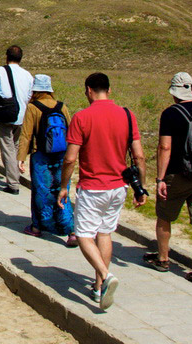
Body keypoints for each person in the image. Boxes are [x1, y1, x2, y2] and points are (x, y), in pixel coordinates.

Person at [57, 72, 146, 311]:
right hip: (119, 187)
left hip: (93, 186)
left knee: (84, 235)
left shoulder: (82, 117)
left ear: (88, 90)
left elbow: (70, 159)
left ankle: (106, 276)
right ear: (109, 89)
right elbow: (138, 154)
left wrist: (63, 186)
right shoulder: (127, 115)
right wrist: (142, 187)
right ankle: (98, 288)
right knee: (105, 234)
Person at [144, 72, 192, 286]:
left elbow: (164, 147)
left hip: (176, 175)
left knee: (164, 216)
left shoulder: (170, 114)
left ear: (174, 94)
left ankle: (163, 258)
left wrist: (160, 178)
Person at [18, 74, 78, 246]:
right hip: (62, 154)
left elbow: (26, 135)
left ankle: (37, 227)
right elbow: (70, 130)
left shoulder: (33, 107)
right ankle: (71, 230)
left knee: (41, 191)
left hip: (40, 156)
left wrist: (21, 158)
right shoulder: (62, 106)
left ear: (35, 89)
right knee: (63, 189)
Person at [0, 45, 34, 194]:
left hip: (4, 115)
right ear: (21, 58)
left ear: (7, 56)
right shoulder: (27, 75)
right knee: (14, 145)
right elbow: (29, 96)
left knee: (7, 148)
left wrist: (1, 100)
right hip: (21, 116)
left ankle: (13, 184)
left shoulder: (0, 71)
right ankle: (16, 172)